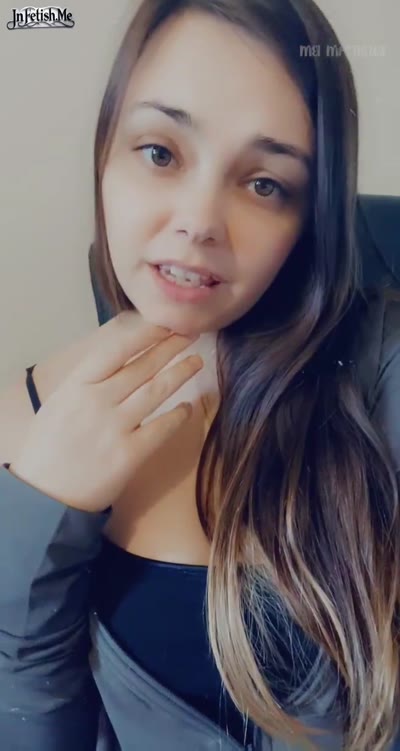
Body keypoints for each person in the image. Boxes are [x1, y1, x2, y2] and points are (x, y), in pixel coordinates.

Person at [0, 0, 399, 749]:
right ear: (105, 156)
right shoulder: (17, 425)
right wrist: (41, 516)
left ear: (308, 220)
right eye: (160, 153)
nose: (199, 220)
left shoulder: (380, 369)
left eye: (265, 184)